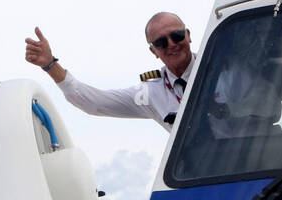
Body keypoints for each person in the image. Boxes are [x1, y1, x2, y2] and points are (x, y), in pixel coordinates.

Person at [24, 12, 194, 132]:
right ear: (154, 51)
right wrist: (50, 65)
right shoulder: (152, 92)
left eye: (177, 35)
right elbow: (94, 103)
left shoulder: (218, 67)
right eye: (161, 42)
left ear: (188, 35)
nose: (171, 44)